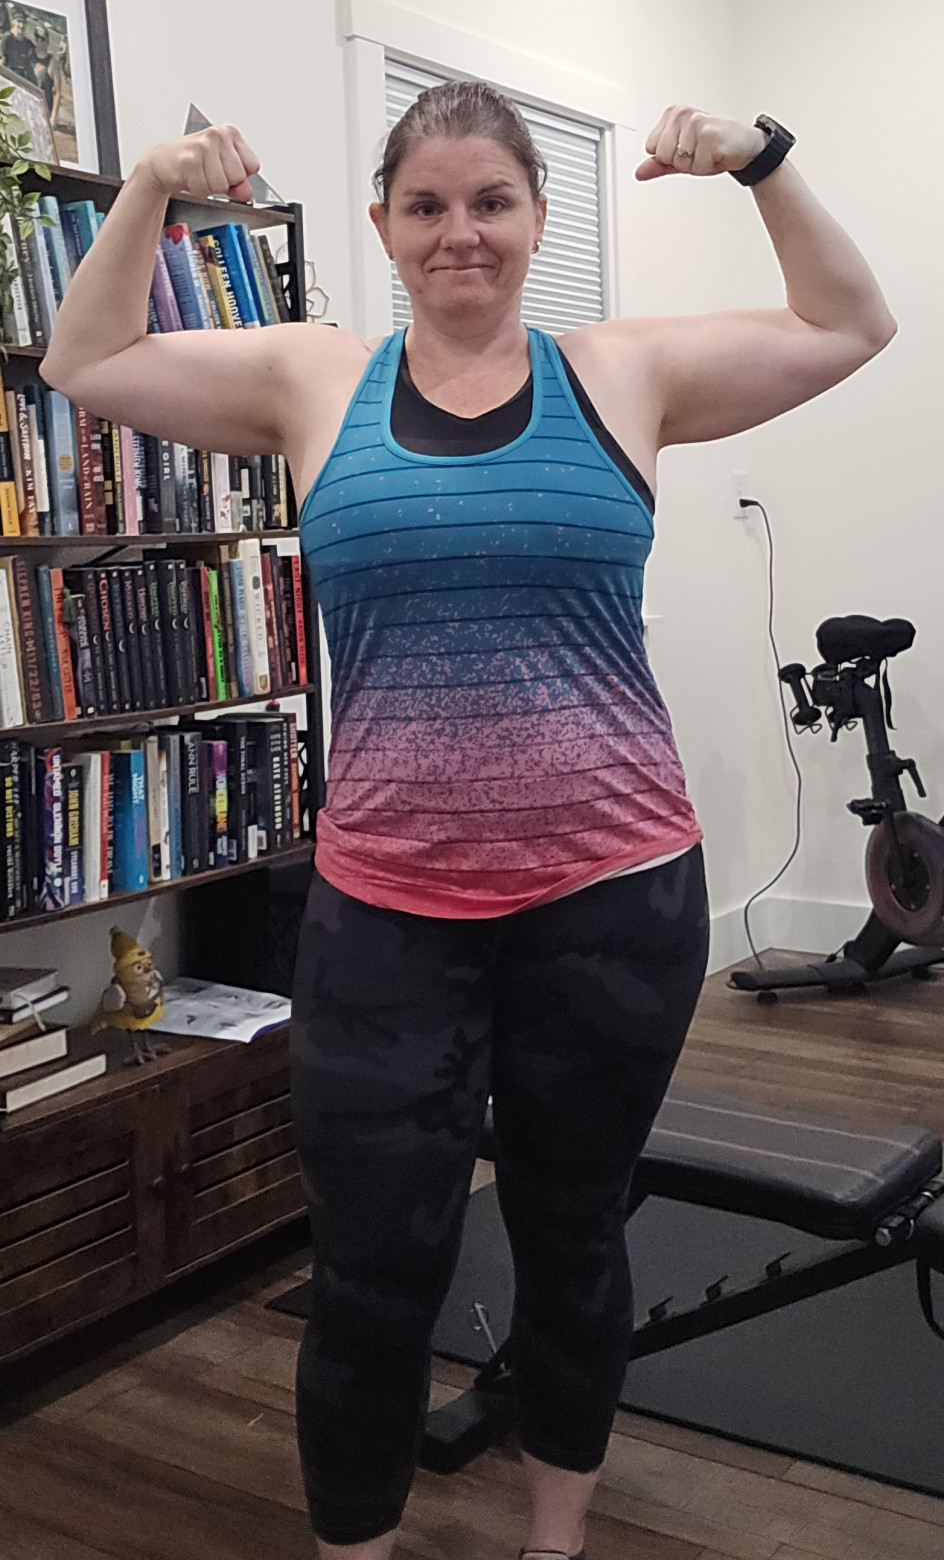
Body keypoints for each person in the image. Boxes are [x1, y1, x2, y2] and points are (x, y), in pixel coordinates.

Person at [41, 87, 896, 1560]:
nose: (462, 233)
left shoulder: (621, 371)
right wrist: (152, 188)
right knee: (375, 1273)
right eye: (428, 206)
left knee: (573, 1239)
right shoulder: (314, 378)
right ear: (383, 225)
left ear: (537, 218)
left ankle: (554, 1542)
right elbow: (84, 357)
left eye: (492, 201)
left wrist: (762, 161)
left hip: (612, 900)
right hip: (387, 915)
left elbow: (851, 322)